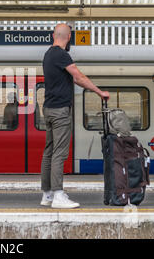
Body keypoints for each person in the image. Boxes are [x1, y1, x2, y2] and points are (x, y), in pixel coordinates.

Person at [40, 23, 109, 209]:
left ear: (54, 35)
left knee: (49, 151)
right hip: (60, 110)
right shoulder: (61, 55)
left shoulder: (47, 54)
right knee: (59, 153)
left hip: (48, 109)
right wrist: (99, 92)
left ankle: (47, 194)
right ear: (69, 36)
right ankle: (58, 195)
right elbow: (79, 77)